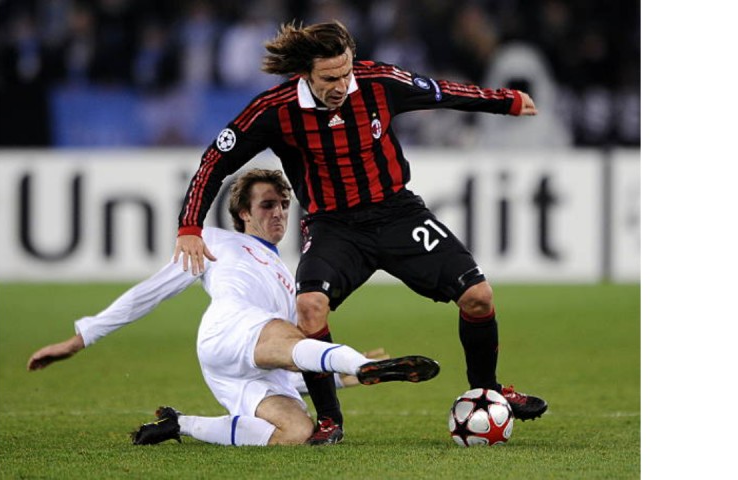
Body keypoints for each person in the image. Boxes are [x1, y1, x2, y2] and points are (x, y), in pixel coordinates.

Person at [172, 21, 548, 445]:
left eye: (345, 72)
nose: (340, 84)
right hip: (334, 228)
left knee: (478, 297)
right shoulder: (273, 111)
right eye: (329, 78)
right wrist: (190, 225)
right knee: (310, 307)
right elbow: (214, 161)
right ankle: (330, 420)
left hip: (397, 214)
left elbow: (441, 91)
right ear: (305, 74)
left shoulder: (379, 82)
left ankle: (488, 390)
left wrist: (506, 102)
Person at [27, 168, 439, 447]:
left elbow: (284, 360)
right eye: (267, 205)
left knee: (295, 431)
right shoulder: (215, 240)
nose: (278, 212)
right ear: (243, 212)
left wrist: (336, 381)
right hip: (228, 330)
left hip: (243, 370)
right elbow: (150, 292)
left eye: (282, 204)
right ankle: (355, 363)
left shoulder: (284, 273)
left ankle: (179, 424)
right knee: (291, 333)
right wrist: (81, 338)